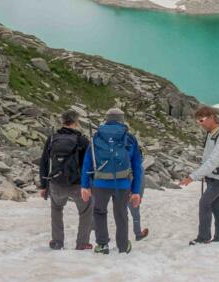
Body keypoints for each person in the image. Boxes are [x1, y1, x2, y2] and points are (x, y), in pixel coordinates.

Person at [80, 108, 143, 254]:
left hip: (100, 183)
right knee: (121, 214)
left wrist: (84, 185)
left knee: (99, 212)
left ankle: (102, 245)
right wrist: (136, 191)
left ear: (106, 119)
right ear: (122, 119)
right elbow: (137, 167)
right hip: (123, 183)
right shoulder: (129, 138)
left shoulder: (96, 137)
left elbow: (87, 162)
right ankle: (122, 246)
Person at [179, 105, 219, 245]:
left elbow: (212, 162)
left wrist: (192, 177)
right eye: (198, 122)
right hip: (212, 177)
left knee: (204, 203)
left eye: (201, 121)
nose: (200, 124)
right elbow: (208, 159)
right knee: (216, 206)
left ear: (211, 118)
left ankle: (203, 238)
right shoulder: (212, 133)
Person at [39, 109, 93, 250]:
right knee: (86, 211)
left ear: (62, 121)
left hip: (56, 183)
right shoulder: (82, 140)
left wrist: (44, 186)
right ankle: (82, 243)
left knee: (56, 210)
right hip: (77, 184)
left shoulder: (52, 138)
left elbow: (44, 162)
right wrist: (89, 185)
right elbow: (89, 164)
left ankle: (57, 242)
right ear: (75, 122)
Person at [128, 164, 149, 241]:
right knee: (136, 215)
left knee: (121, 215)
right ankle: (138, 234)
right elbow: (141, 183)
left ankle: (122, 236)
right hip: (133, 194)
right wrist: (140, 195)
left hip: (121, 192)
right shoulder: (139, 167)